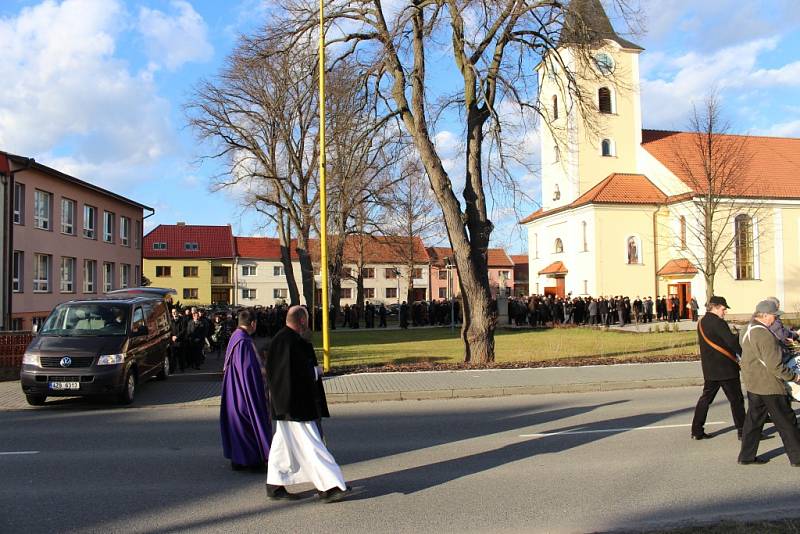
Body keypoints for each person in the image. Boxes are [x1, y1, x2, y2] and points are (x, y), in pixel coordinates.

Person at [265, 305, 349, 502]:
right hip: (295, 405)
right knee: (313, 445)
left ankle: (274, 485)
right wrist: (315, 372)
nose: (309, 322)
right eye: (308, 319)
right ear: (302, 321)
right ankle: (330, 486)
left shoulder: (284, 339)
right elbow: (291, 374)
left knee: (282, 447)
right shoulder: (290, 342)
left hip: (287, 404)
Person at [738, 300, 800, 466]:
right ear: (764, 316)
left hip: (754, 383)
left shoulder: (747, 329)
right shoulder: (764, 334)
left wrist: (780, 345)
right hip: (769, 385)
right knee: (787, 422)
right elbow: (775, 365)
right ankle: (797, 458)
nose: (775, 319)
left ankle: (746, 456)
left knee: (753, 421)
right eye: (774, 315)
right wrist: (794, 377)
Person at [220, 309, 272, 472]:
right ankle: (252, 461)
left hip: (233, 390)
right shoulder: (245, 342)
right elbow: (250, 371)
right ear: (253, 323)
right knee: (249, 423)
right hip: (243, 392)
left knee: (238, 426)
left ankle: (238, 460)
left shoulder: (235, 337)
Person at [691, 296, 745, 440]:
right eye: (723, 308)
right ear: (714, 307)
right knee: (737, 400)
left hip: (710, 368)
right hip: (726, 368)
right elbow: (731, 342)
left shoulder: (702, 321)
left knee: (705, 399)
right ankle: (743, 431)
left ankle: (696, 430)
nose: (725, 311)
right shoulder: (718, 323)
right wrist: (743, 351)